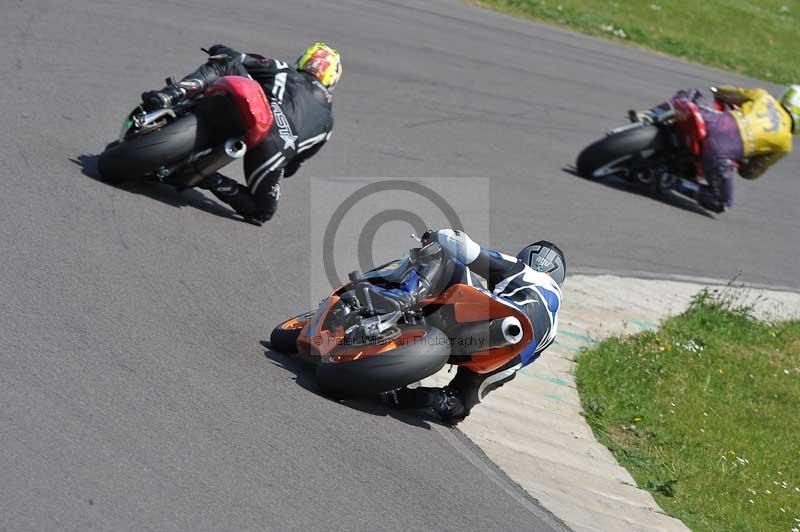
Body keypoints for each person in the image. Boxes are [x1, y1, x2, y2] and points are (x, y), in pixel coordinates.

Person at [141, 42, 341, 224]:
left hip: (259, 114)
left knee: (227, 62)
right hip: (276, 149)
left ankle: (172, 94)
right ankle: (207, 176)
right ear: (332, 78)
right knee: (262, 211)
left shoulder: (283, 69)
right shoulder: (327, 124)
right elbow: (294, 165)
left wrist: (218, 48)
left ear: (304, 61)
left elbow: (240, 58)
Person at [379, 229, 565, 424]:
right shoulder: (553, 330)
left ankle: (403, 297)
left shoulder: (522, 270)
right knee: (457, 405)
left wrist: (434, 236)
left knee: (444, 258)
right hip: (506, 355)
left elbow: (466, 248)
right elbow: (524, 359)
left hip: (495, 316)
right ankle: (435, 399)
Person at [632, 85, 799, 213]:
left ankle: (651, 114)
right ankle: (670, 180)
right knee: (721, 202)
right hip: (719, 154)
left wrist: (718, 91)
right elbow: (749, 173)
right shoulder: (785, 145)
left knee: (691, 95)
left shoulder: (763, 96)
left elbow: (724, 92)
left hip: (709, 122)